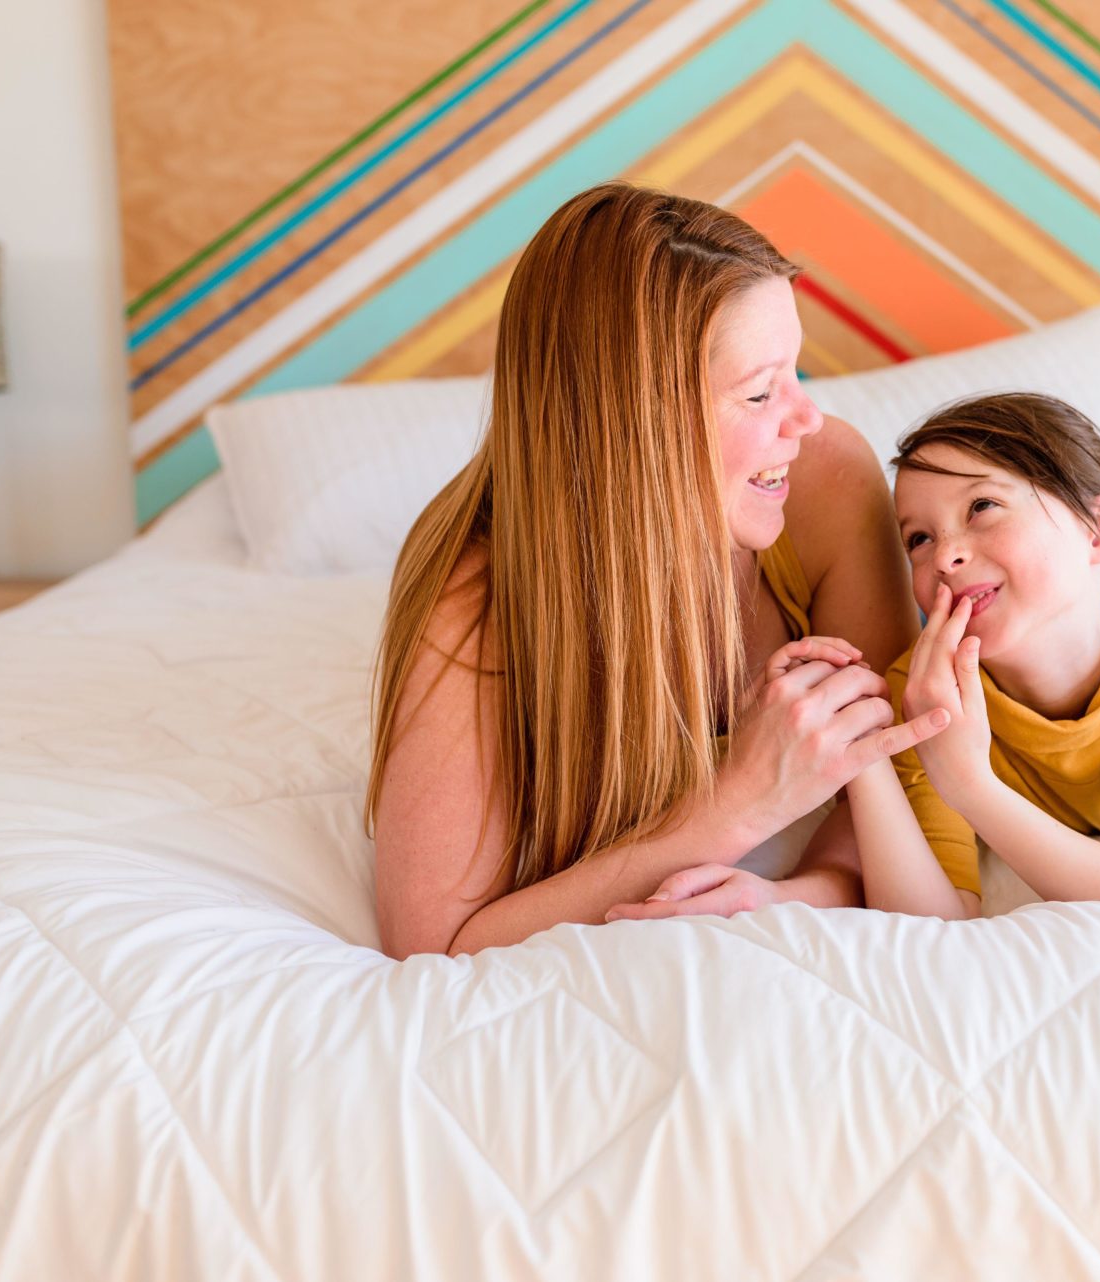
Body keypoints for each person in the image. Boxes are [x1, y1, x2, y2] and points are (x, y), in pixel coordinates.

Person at [365, 182, 946, 956]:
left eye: (796, 372)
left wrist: (794, 896)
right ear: (642, 424)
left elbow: (887, 768)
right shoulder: (476, 605)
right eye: (759, 391)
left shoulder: (825, 479)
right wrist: (731, 808)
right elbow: (431, 944)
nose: (804, 418)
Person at [846, 392, 1100, 919]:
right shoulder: (922, 693)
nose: (944, 556)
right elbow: (934, 919)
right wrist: (860, 756)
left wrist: (969, 784)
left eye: (981, 507)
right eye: (918, 538)